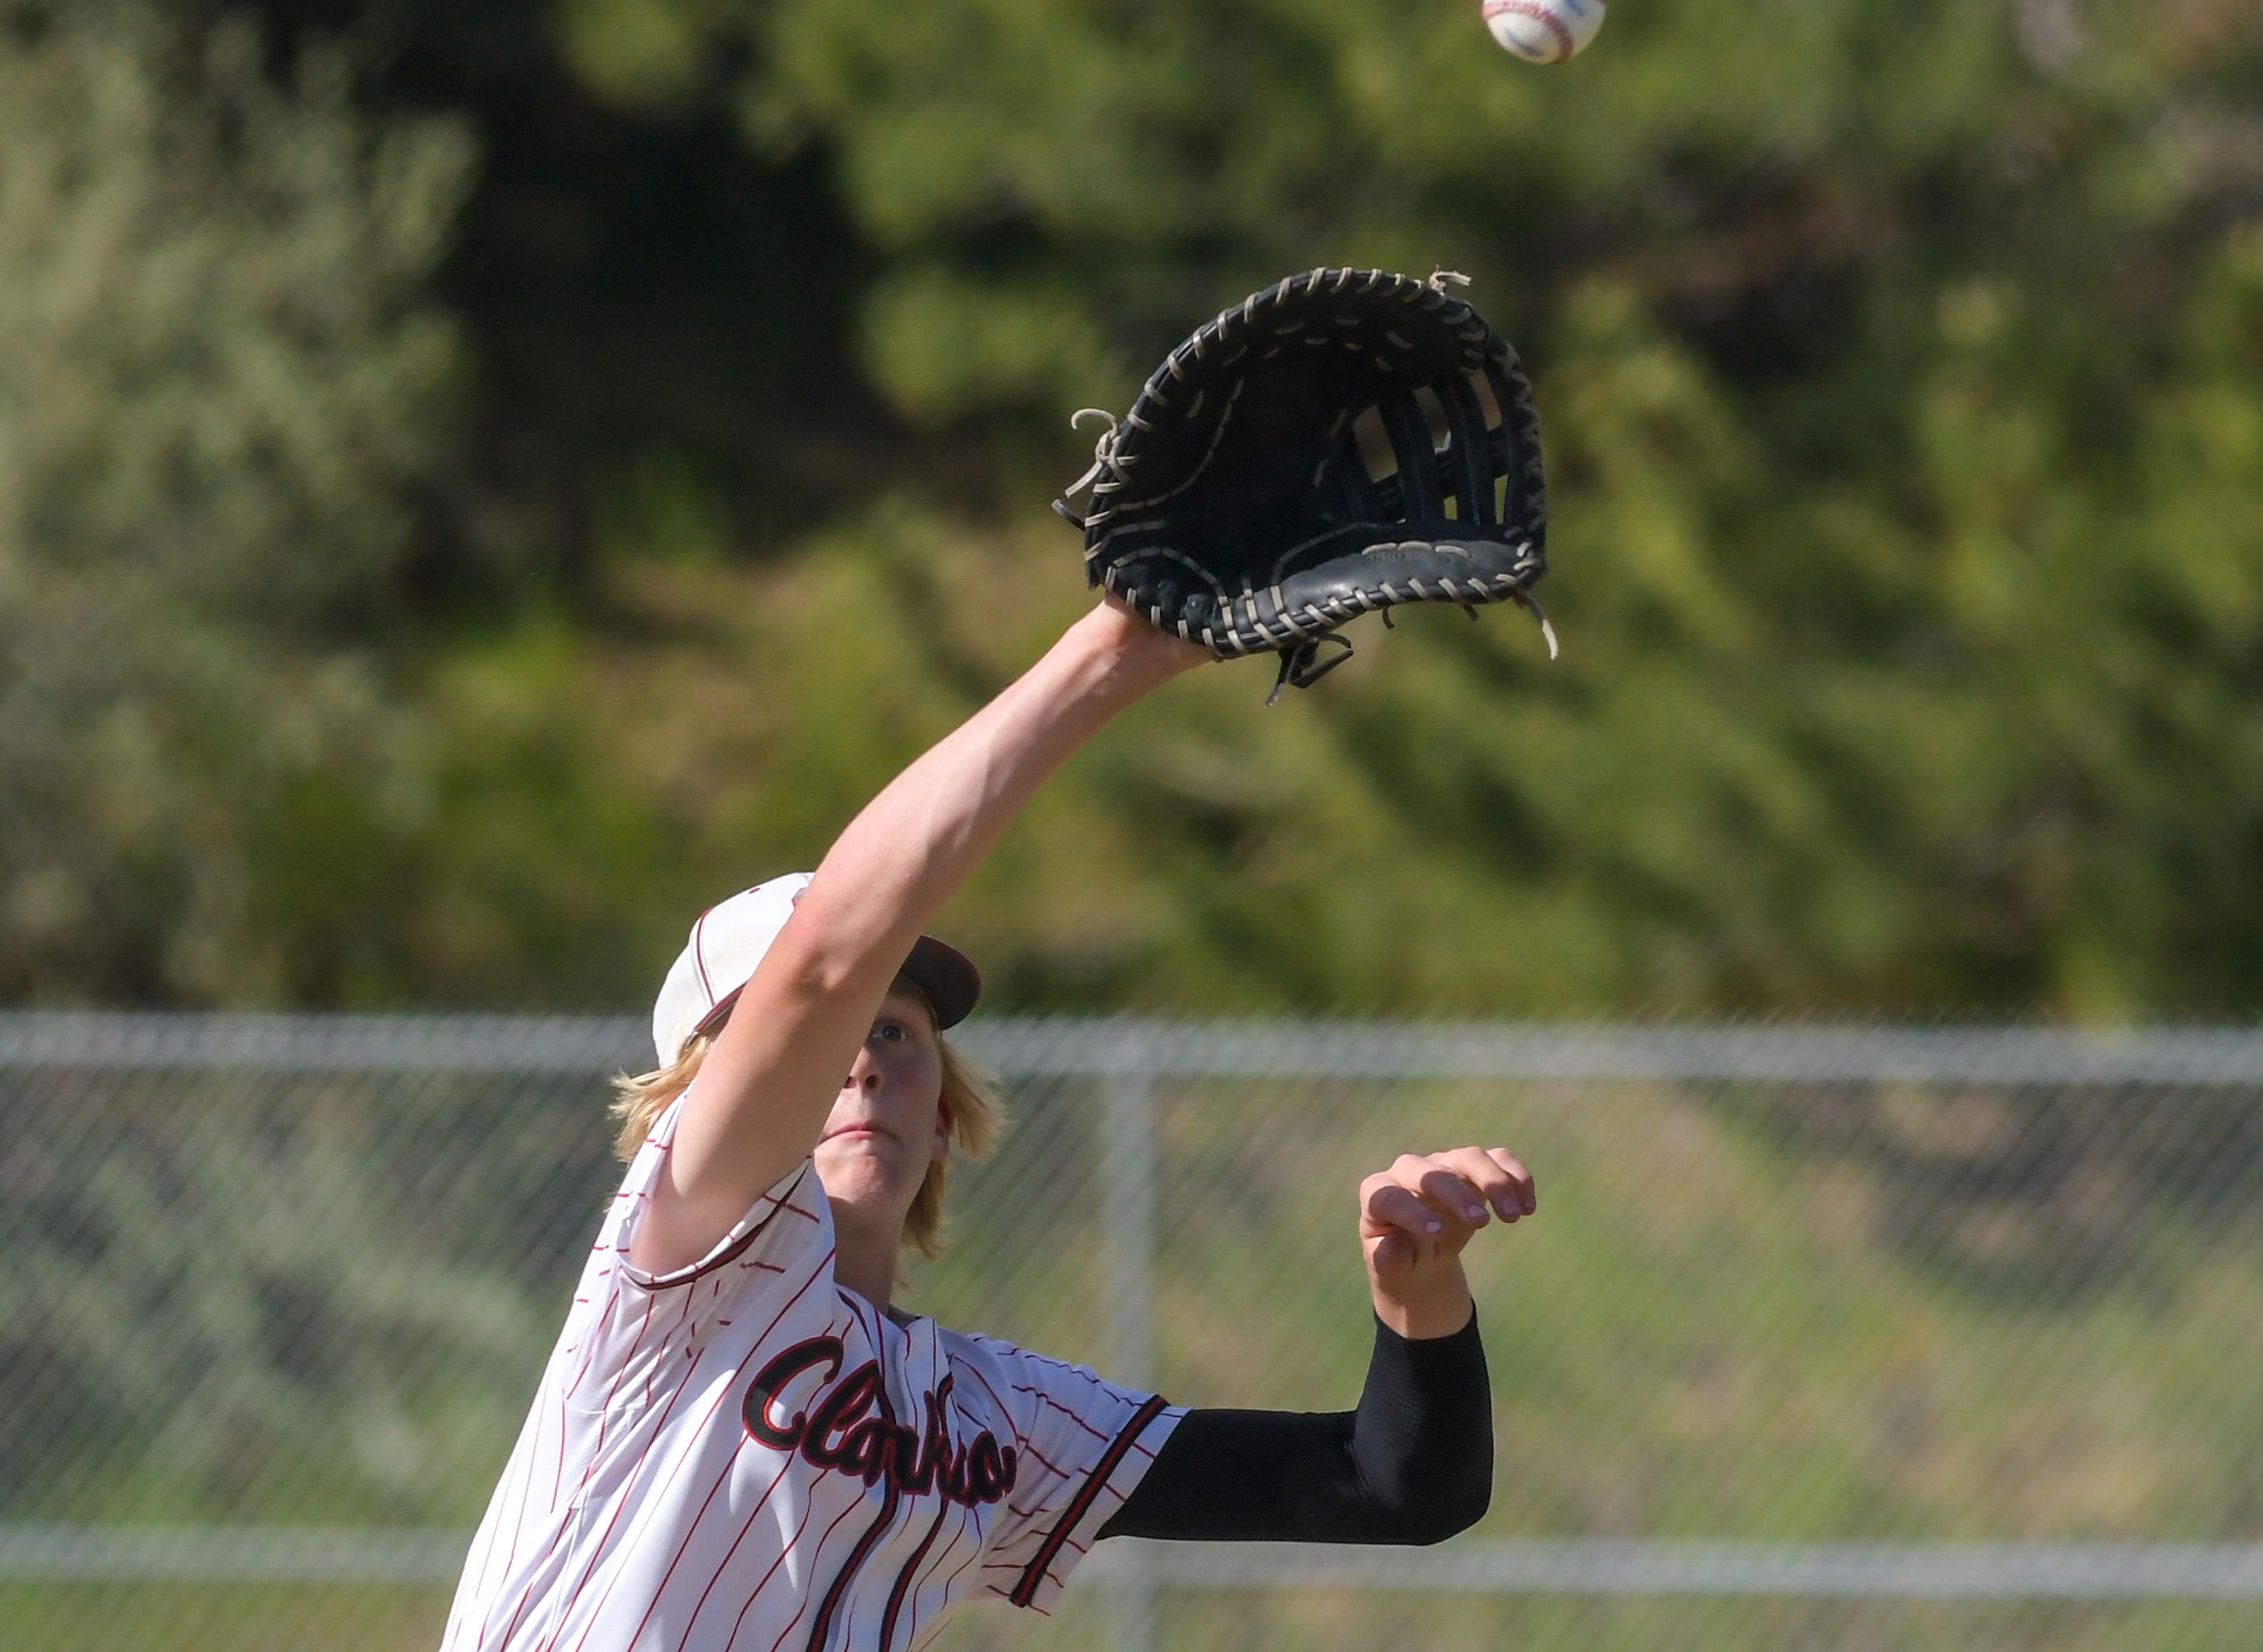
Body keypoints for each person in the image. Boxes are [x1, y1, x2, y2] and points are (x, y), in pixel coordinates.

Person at [439, 597, 1535, 1652]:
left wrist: (1420, 1298)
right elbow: (825, 960)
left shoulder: (991, 1420)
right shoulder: (677, 1283)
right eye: (822, 1041)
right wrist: (1123, 645)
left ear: (944, 1101)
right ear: (699, 1099)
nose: (862, 1059)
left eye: (901, 1035)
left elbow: (1392, 1489)